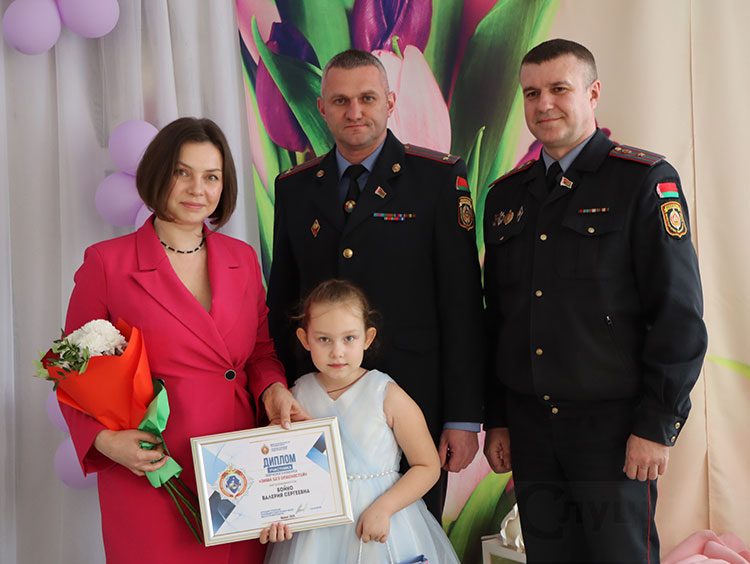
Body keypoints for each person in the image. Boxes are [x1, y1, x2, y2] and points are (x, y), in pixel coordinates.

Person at [482, 39, 708, 563]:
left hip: (613, 430)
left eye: (559, 89)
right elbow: (498, 319)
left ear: (593, 92)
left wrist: (657, 425)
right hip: (531, 428)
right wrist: (498, 418)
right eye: (531, 93)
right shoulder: (506, 196)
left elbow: (678, 315)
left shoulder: (643, 181)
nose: (544, 104)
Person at [61, 117, 309, 564]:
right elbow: (69, 370)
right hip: (153, 469)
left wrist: (273, 389)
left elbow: (259, 352)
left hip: (236, 467)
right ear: (159, 174)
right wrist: (104, 442)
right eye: (183, 173)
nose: (198, 189)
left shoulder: (242, 258)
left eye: (211, 176)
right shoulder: (107, 263)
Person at [266, 49, 485, 517]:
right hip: (317, 403)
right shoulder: (295, 187)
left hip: (415, 398)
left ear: (390, 102)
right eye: (340, 101)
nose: (354, 112)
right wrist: (278, 388)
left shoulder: (437, 178)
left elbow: (462, 303)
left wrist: (463, 417)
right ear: (322, 108)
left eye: (367, 98)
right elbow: (283, 300)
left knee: (404, 532)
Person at [261, 279, 460, 564]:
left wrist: (385, 508)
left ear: (367, 338)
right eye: (324, 339)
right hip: (315, 538)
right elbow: (280, 472)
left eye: (349, 338)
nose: (337, 351)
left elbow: (427, 466)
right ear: (305, 339)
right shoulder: (296, 398)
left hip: (382, 525)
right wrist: (278, 515)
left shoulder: (386, 394)